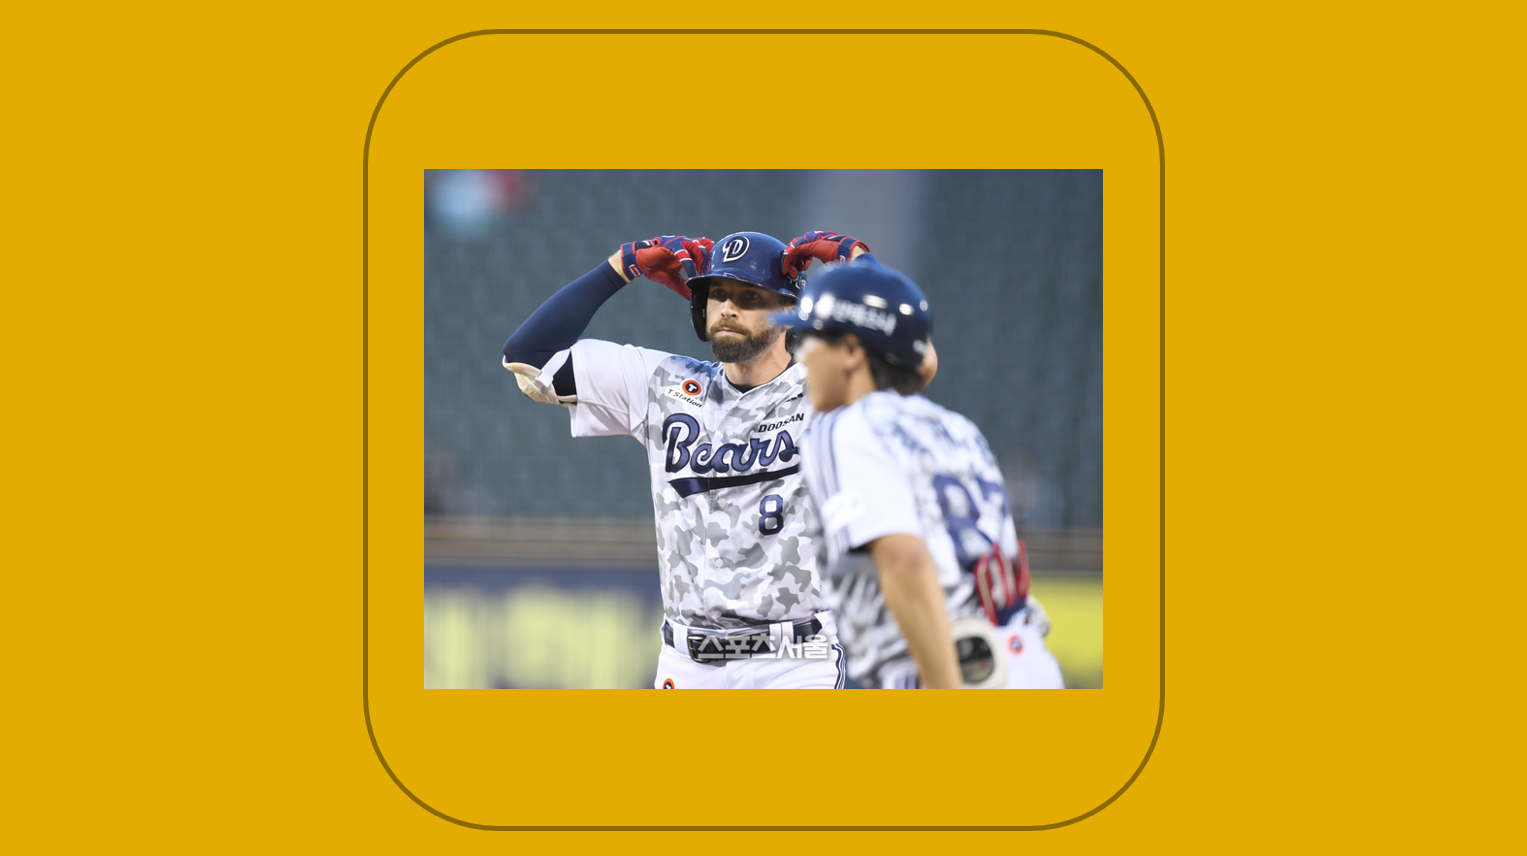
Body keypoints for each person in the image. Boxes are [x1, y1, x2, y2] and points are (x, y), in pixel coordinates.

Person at [501, 230, 883, 688]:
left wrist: (856, 260)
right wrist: (619, 268)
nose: (729, 308)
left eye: (750, 296)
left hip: (797, 660)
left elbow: (907, 354)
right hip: (687, 662)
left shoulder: (828, 390)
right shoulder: (664, 385)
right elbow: (529, 357)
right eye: (717, 294)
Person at [778, 262, 1066, 689]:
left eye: (812, 338)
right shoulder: (958, 428)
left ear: (852, 351)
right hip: (1026, 660)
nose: (801, 356)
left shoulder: (843, 428)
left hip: (947, 669)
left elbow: (905, 559)